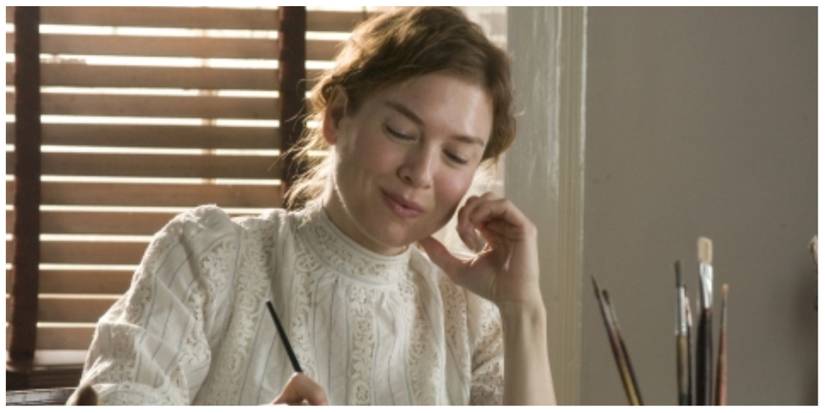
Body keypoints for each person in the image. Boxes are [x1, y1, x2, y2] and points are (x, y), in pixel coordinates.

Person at [70, 7, 556, 405]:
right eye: (401, 132)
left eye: (456, 155)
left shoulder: (469, 313)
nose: (421, 173)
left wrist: (523, 310)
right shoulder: (208, 258)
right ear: (338, 117)